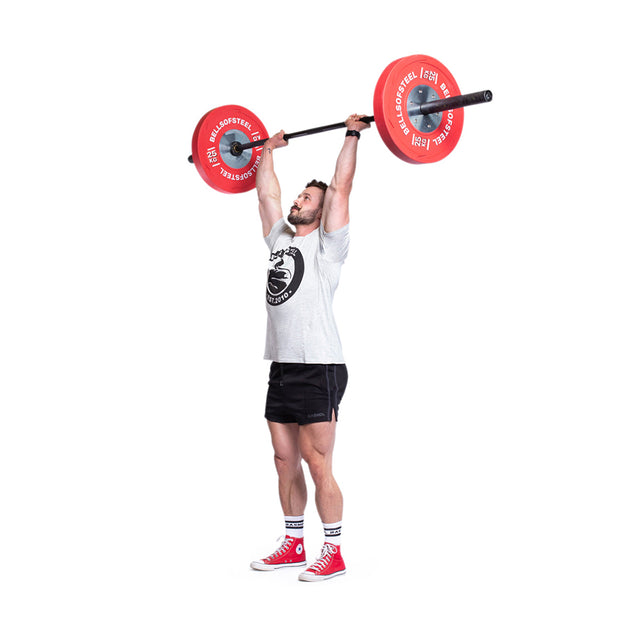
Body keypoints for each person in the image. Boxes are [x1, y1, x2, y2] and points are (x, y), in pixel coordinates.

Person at [249, 114, 370, 581]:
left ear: (321, 212)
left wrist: (352, 133)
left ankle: (333, 551)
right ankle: (295, 542)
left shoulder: (328, 246)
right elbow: (266, 194)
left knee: (318, 462)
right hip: (281, 364)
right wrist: (267, 150)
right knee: (284, 459)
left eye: (307, 198)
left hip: (319, 363)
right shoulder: (280, 238)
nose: (298, 200)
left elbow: (341, 188)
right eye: (300, 195)